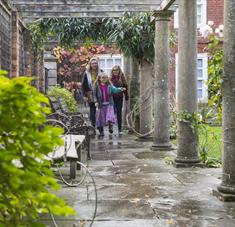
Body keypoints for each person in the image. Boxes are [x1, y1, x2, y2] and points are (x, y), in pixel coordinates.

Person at [82, 57, 103, 127]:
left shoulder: (101, 72)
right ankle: (93, 125)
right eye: (93, 63)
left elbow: (105, 83)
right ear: (90, 64)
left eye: (95, 63)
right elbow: (83, 85)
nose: (94, 65)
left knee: (100, 110)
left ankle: (100, 127)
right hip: (90, 93)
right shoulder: (86, 73)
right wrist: (84, 95)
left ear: (97, 64)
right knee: (92, 110)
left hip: (100, 93)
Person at [110, 65, 129, 134]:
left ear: (119, 71)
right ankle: (111, 126)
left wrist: (126, 96)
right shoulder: (110, 79)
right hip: (111, 98)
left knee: (119, 113)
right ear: (112, 71)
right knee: (112, 112)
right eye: (114, 70)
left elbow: (125, 87)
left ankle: (120, 129)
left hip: (119, 98)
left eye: (116, 70)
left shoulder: (122, 78)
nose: (115, 71)